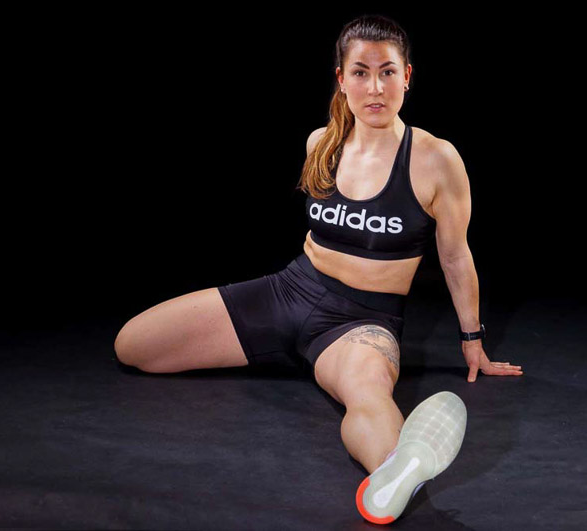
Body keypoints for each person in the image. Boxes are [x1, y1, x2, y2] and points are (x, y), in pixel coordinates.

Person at [114, 14, 523, 524]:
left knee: (368, 397)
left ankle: (395, 470)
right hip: (289, 293)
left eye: (388, 72)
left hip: (361, 324)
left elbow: (456, 256)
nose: (375, 88)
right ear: (341, 79)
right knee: (134, 346)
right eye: (360, 72)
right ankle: (295, 358)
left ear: (407, 77)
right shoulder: (321, 143)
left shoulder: (436, 159)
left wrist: (472, 339)